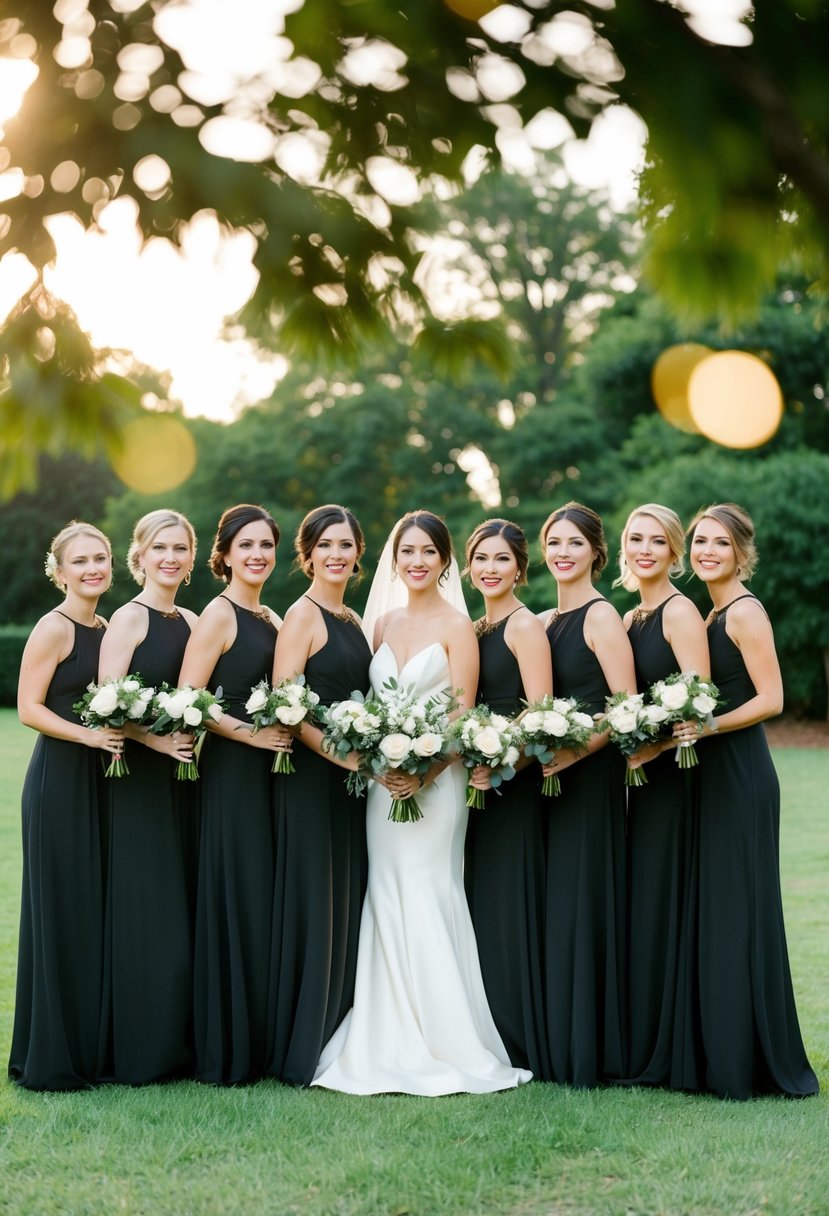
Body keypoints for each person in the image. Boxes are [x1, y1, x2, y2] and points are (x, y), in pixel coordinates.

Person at [313, 510, 531, 1095]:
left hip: (439, 787)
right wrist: (385, 763)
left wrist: (426, 768)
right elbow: (368, 702)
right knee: (385, 889)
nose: (416, 561)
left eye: (428, 552)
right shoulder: (377, 624)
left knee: (431, 889)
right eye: (406, 551)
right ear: (394, 556)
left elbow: (462, 711)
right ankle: (385, 1034)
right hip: (384, 788)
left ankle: (448, 1038)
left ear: (443, 561)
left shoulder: (460, 625)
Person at [682, 503, 818, 1099]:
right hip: (713, 776)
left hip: (741, 775)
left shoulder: (743, 611)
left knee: (740, 911)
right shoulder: (711, 611)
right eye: (699, 542)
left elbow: (772, 698)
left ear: (742, 553)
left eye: (719, 543)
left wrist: (706, 728)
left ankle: (749, 1063)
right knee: (720, 912)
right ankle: (723, 1052)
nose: (707, 551)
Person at [178, 504, 290, 1085]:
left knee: (261, 899)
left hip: (271, 775)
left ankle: (264, 1036)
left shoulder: (269, 617)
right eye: (245, 545)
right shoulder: (217, 616)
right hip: (232, 774)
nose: (257, 555)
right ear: (223, 555)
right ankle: (227, 1046)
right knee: (236, 896)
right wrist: (254, 735)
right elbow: (190, 697)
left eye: (266, 546)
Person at [9, 522, 123, 1090]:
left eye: (99, 558)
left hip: (108, 782)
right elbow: (29, 708)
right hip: (61, 782)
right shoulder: (52, 629)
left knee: (98, 912)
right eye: (79, 561)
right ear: (58, 571)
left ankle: (97, 1045)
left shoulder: (109, 627)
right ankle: (53, 1054)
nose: (92, 569)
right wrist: (89, 737)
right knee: (63, 913)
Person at [266, 505, 372, 1086]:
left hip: (351, 784)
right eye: (326, 544)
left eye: (347, 545)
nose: (337, 554)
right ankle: (299, 1041)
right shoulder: (301, 616)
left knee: (344, 900)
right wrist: (346, 757)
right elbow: (288, 707)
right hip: (312, 778)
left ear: (358, 554)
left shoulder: (352, 619)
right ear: (308, 553)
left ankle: (337, 1023)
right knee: (313, 905)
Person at [96, 509, 199, 1084]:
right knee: (149, 911)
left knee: (182, 907)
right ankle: (141, 1051)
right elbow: (104, 704)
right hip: (139, 780)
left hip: (186, 781)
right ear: (139, 555)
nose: (170, 557)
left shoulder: (189, 617)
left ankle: (180, 1043)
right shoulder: (128, 621)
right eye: (160, 547)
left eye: (180, 548)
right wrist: (156, 740)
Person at [539, 502, 635, 1087]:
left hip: (587, 779)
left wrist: (574, 752)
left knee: (581, 906)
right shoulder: (547, 620)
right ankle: (553, 1041)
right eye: (554, 542)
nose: (563, 553)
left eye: (575, 543)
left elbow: (625, 706)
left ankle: (587, 1051)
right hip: (546, 782)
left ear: (596, 553)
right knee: (555, 909)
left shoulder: (603, 617)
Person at [615, 503, 708, 1088]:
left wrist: (652, 748)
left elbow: (698, 704)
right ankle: (645, 1040)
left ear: (675, 552)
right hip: (640, 786)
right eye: (635, 538)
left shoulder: (680, 612)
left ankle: (676, 1047)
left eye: (657, 541)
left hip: (675, 778)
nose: (644, 549)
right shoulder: (630, 618)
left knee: (667, 901)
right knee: (644, 905)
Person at [464, 518, 553, 1078]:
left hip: (512, 790)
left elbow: (542, 711)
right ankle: (489, 1027)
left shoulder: (524, 627)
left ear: (519, 568)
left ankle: (521, 1035)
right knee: (481, 908)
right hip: (473, 790)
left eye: (501, 559)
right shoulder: (475, 629)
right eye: (481, 558)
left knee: (511, 906)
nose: (491, 569)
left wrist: (503, 762)